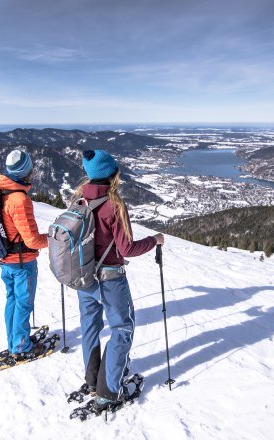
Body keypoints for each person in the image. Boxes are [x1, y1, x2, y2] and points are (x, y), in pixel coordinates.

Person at [72, 149, 164, 408]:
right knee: (122, 329)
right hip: (110, 279)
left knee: (90, 326)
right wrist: (154, 240)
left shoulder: (78, 200)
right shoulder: (114, 204)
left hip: (84, 277)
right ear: (112, 175)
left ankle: (92, 380)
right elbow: (127, 250)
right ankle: (109, 391)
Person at [0, 149, 48, 359]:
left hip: (5, 258)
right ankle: (21, 346)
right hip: (22, 262)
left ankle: (15, 340)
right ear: (26, 171)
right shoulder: (19, 200)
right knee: (24, 303)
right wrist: (53, 239)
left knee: (13, 300)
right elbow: (31, 240)